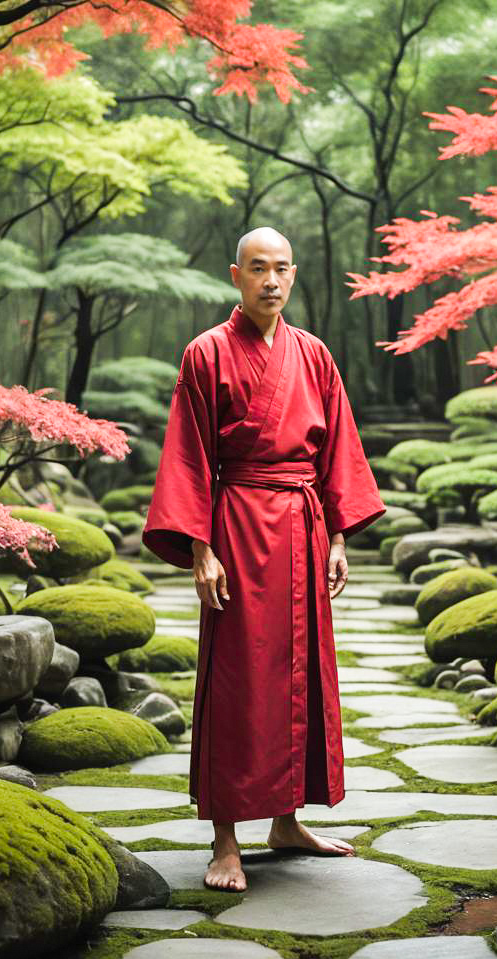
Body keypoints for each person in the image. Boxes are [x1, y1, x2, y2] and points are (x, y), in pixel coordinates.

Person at [142, 226, 385, 892]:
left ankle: (285, 820)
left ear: (294, 274)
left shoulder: (313, 354)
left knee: (298, 671)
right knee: (237, 677)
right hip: (239, 524)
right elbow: (190, 456)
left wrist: (338, 534)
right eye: (257, 269)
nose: (270, 280)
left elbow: (338, 447)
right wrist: (201, 547)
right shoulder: (206, 353)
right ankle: (225, 840)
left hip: (304, 525)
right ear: (235, 275)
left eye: (281, 269)